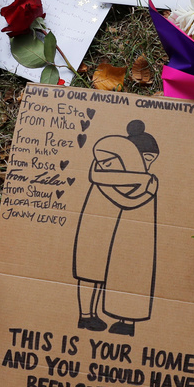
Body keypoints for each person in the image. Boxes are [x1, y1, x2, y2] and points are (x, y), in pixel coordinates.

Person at [72, 120, 159, 336]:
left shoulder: (146, 180)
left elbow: (130, 202)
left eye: (151, 159)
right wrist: (146, 190)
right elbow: (124, 201)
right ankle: (86, 315)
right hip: (96, 232)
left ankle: (125, 320)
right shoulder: (105, 175)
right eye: (145, 157)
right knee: (91, 272)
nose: (148, 163)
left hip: (124, 237)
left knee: (125, 273)